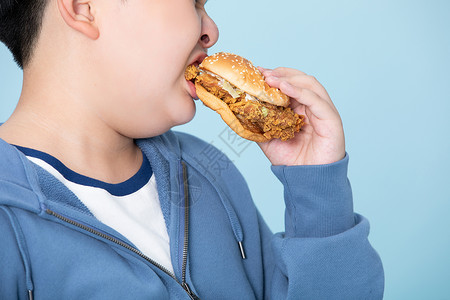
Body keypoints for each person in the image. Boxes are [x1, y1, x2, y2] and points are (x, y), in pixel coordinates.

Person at [0, 0, 384, 299]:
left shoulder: (206, 168)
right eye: (194, 4)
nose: (211, 32)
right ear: (86, 7)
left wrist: (316, 189)